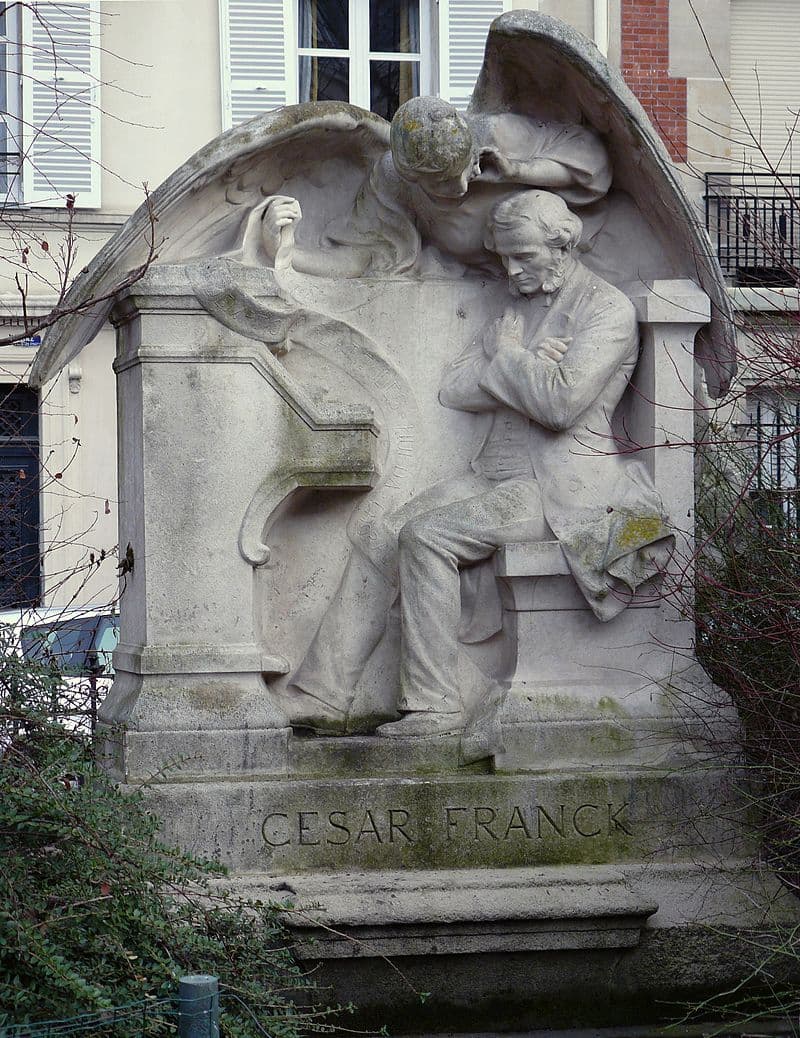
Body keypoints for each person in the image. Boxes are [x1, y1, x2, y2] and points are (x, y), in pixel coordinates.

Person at [288, 189, 673, 738]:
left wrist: (510, 356)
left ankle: (433, 706)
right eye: (505, 258)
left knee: (426, 537)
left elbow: (560, 406)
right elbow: (455, 388)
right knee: (380, 532)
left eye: (524, 257)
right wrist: (521, 365)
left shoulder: (604, 310)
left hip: (559, 488)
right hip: (492, 475)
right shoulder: (517, 308)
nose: (511, 270)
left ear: (562, 246)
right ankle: (324, 693)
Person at [243, 97, 613, 278]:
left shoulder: (498, 135)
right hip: (501, 300)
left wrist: (518, 170)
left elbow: (594, 169)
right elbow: (362, 259)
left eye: (464, 169)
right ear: (413, 179)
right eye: (440, 183)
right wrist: (284, 251)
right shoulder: (393, 182)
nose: (462, 185)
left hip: (585, 259)